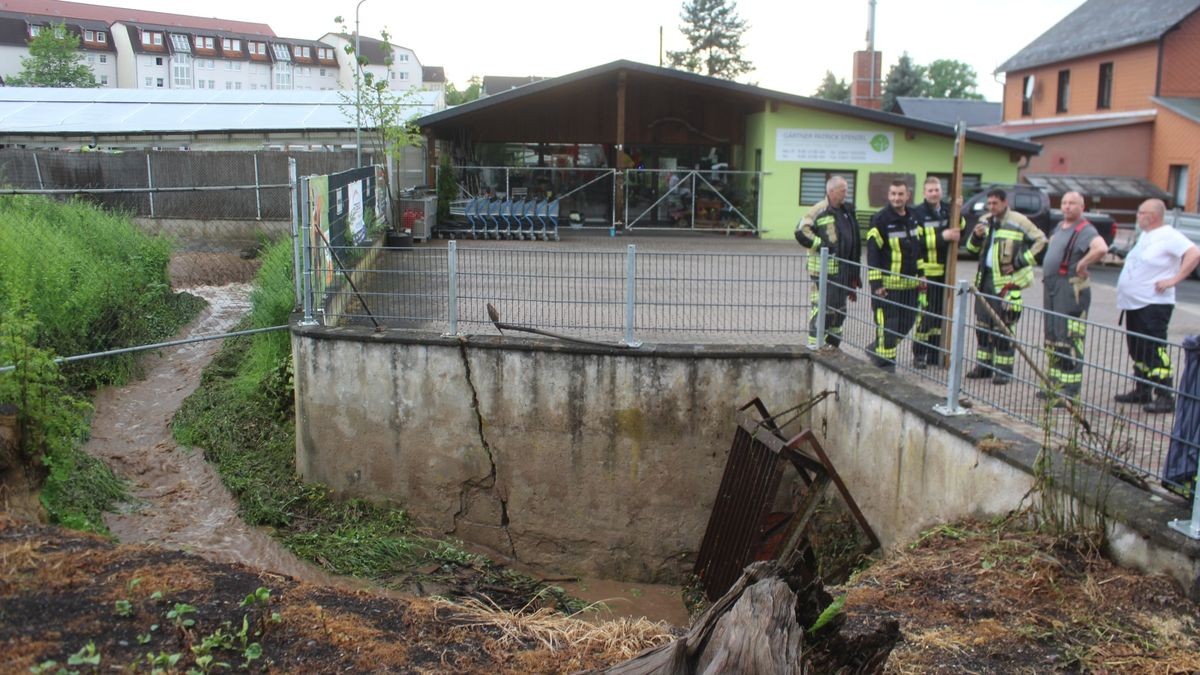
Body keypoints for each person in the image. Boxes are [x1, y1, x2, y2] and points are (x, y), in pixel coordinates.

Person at [1114, 199, 1200, 413]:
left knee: (1154, 349)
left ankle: (1165, 395)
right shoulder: (1146, 235)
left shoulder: (1169, 235)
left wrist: (1174, 279)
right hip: (1135, 303)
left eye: (1140, 213)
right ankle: (1142, 389)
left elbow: (1194, 253)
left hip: (1153, 305)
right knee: (1138, 348)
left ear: (1152, 216)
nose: (1137, 216)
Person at [965, 188, 1047, 384]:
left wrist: (1019, 261)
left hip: (1007, 285)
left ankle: (1003, 370)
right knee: (982, 326)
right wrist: (976, 236)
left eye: (995, 203)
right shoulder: (985, 220)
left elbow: (1041, 241)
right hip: (984, 282)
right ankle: (983, 366)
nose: (991, 207)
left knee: (1004, 328)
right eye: (989, 203)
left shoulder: (1019, 221)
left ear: (1004, 202)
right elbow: (970, 248)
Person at [1040, 191, 1108, 405]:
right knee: (1052, 337)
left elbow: (1101, 248)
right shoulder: (1060, 227)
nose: (1067, 207)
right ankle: (1054, 385)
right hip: (1052, 287)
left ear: (1082, 206)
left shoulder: (1085, 229)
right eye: (1064, 203)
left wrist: (1083, 263)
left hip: (1070, 290)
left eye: (1072, 203)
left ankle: (1070, 390)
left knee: (1068, 338)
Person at [795, 175, 861, 349]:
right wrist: (822, 246)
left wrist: (855, 272)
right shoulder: (820, 209)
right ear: (831, 191)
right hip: (823, 269)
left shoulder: (847, 211)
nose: (846, 193)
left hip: (843, 269)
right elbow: (801, 230)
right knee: (824, 306)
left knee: (839, 310)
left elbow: (854, 239)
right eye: (843, 190)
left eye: (846, 189)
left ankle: (833, 346)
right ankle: (814, 345)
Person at [865, 180, 925, 369]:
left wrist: (922, 274)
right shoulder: (880, 220)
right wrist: (876, 285)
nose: (896, 198)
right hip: (888, 288)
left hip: (910, 286)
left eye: (900, 194)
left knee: (907, 323)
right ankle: (885, 367)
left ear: (908, 195)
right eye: (893, 194)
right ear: (888, 196)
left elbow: (919, 249)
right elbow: (873, 255)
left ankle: (876, 349)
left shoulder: (914, 217)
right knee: (888, 328)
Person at [911, 177, 965, 368]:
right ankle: (919, 354)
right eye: (930, 190)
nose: (934, 193)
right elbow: (916, 244)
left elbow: (961, 230)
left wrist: (959, 210)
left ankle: (934, 354)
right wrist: (943, 237)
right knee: (927, 314)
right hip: (927, 271)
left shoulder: (946, 210)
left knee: (940, 314)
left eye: (937, 190)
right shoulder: (917, 213)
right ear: (924, 193)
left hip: (945, 272)